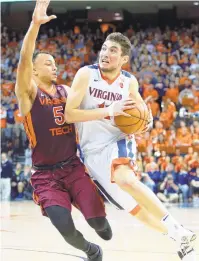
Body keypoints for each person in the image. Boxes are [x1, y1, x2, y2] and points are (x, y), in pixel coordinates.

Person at [65, 32, 197, 260]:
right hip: (91, 152)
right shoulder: (86, 74)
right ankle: (176, 237)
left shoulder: (129, 81)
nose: (105, 53)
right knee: (133, 208)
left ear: (124, 59)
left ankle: (178, 227)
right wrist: (109, 111)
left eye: (113, 51)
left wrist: (146, 122)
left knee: (127, 180)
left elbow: (141, 113)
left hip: (118, 140)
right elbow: (69, 114)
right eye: (105, 48)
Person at [15, 1, 112, 260]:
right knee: (65, 227)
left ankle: (99, 225)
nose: (54, 66)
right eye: (48, 63)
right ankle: (91, 251)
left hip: (73, 167)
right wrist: (35, 25)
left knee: (101, 226)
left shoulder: (67, 92)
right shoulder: (28, 93)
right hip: (46, 177)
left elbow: (89, 112)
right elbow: (24, 60)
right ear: (34, 71)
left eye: (55, 63)